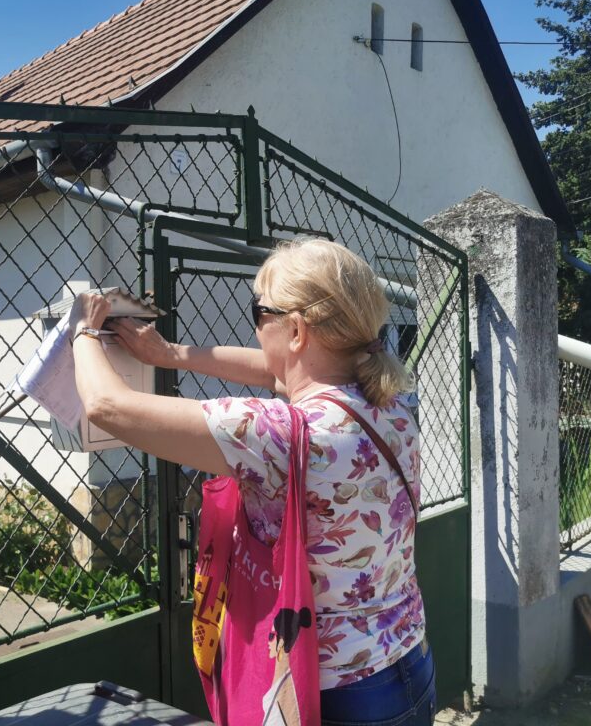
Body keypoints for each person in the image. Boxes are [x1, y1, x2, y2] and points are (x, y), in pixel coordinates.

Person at [69, 238, 435, 726]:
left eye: (259, 313)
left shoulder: (277, 433)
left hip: (332, 692)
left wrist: (82, 331)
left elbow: (107, 407)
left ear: (297, 330)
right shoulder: (390, 403)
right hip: (409, 661)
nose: (257, 328)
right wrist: (170, 354)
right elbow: (276, 372)